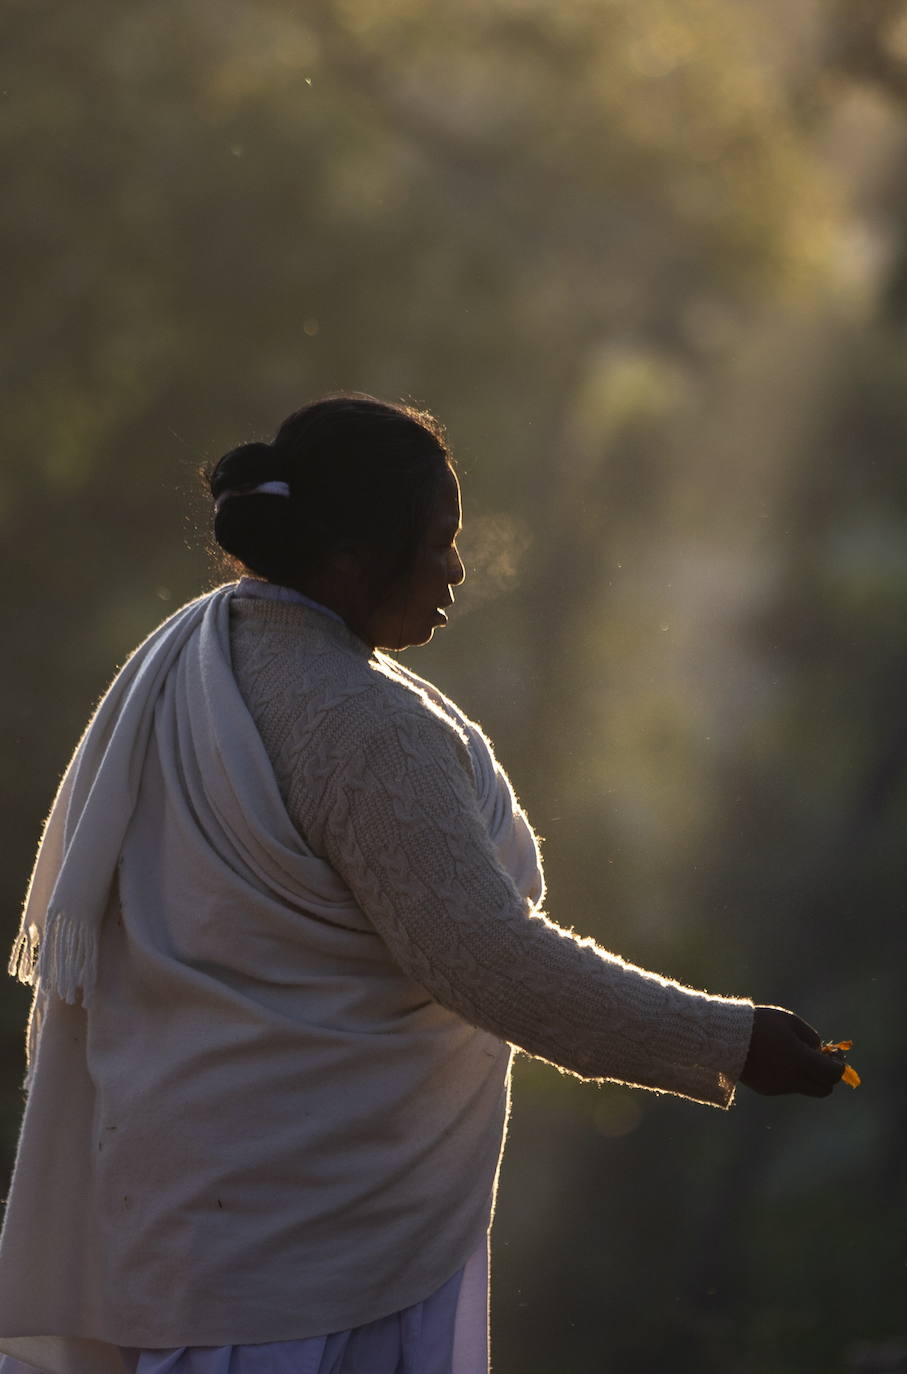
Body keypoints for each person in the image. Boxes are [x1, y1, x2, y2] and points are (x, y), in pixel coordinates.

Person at [0, 394, 843, 1374]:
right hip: (309, 1262)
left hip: (181, 1219)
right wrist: (732, 1041)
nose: (456, 568)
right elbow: (490, 963)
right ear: (353, 558)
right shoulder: (362, 726)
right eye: (438, 542)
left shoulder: (197, 654)